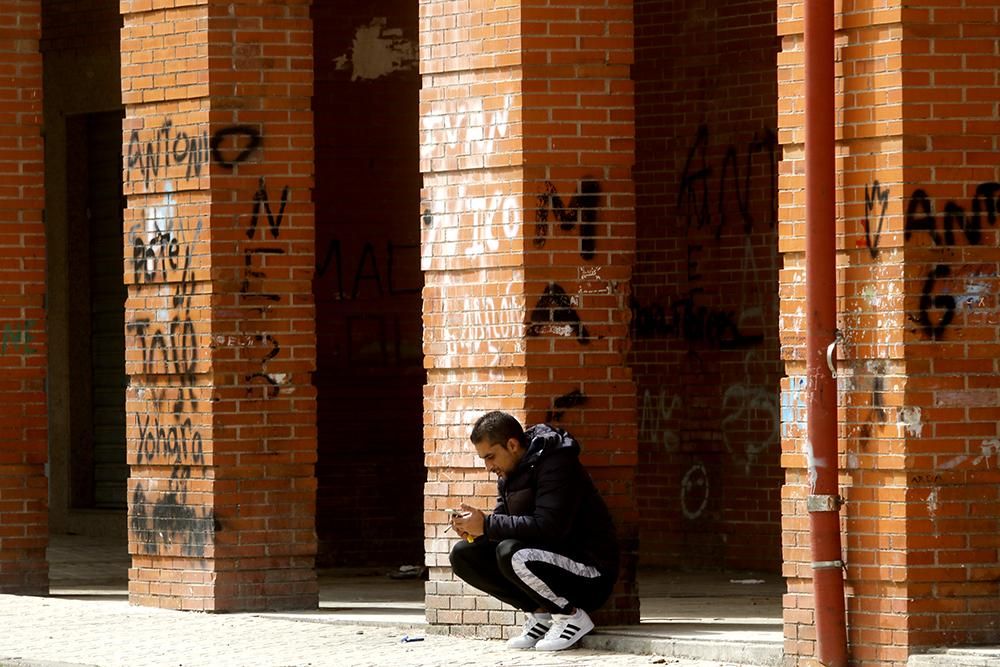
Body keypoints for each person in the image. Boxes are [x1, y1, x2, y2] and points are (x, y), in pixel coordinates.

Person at [449, 411, 618, 651]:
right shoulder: (508, 473)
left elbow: (550, 527)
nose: (488, 466)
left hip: (589, 573)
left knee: (511, 552)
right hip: (546, 561)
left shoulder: (557, 464)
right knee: (465, 554)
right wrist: (476, 529)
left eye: (490, 456)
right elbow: (504, 522)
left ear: (512, 444)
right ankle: (540, 614)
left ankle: (571, 616)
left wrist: (487, 525)